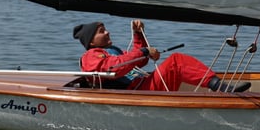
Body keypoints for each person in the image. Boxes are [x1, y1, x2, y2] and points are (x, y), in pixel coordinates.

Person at [73, 19, 250, 92]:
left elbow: (138, 61)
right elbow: (113, 67)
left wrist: (138, 35)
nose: (107, 32)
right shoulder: (91, 55)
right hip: (137, 92)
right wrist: (144, 51)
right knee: (176, 62)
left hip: (143, 86)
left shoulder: (111, 51)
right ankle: (220, 87)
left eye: (105, 29)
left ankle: (219, 85)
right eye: (101, 31)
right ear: (91, 42)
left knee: (177, 62)